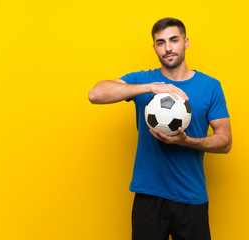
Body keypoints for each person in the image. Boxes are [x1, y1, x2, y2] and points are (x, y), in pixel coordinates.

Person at [88, 17, 232, 240]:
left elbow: (225, 142)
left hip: (191, 198)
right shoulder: (143, 80)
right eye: (160, 42)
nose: (168, 48)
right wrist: (150, 87)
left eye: (174, 40)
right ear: (154, 47)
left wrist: (188, 142)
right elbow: (95, 94)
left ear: (185, 42)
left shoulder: (210, 86)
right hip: (149, 196)